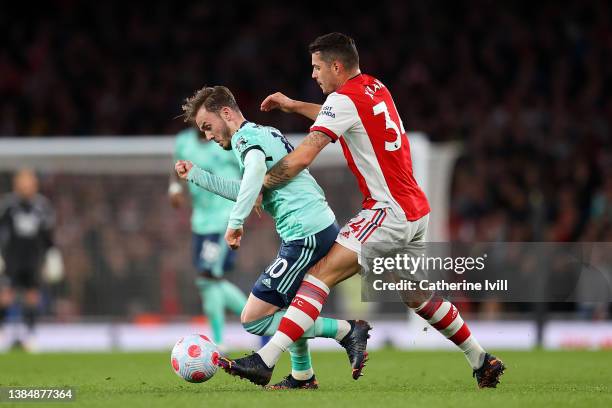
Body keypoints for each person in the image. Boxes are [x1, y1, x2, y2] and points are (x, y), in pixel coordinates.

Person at [221, 33, 505, 389]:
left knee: (317, 276)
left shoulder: (342, 100)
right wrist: (295, 106)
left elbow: (304, 156)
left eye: (317, 67)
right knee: (416, 295)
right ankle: (481, 359)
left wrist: (259, 186)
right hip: (416, 210)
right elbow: (342, 115)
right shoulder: (375, 87)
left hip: (387, 210)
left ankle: (267, 359)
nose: (314, 75)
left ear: (336, 66)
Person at [176, 85, 371, 389]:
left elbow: (254, 171)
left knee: (254, 318)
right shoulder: (264, 132)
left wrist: (235, 223)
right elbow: (251, 189)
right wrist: (197, 176)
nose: (208, 136)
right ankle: (302, 375)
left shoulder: (243, 138)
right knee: (287, 307)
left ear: (226, 113)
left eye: (208, 126)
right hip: (314, 225)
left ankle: (345, 331)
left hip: (305, 233)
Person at [169, 126, 248, 351]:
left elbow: (249, 169)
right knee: (211, 280)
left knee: (207, 276)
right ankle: (261, 322)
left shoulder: (227, 141)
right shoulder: (184, 141)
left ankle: (220, 340)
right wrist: (175, 188)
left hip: (224, 218)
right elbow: (174, 168)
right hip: (201, 221)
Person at [0, 169, 61, 351]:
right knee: (5, 295)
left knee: (32, 296)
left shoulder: (43, 206)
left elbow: (48, 234)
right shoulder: (8, 205)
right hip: (12, 258)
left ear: (34, 184)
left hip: (34, 258)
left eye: (29, 182)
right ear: (16, 184)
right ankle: (2, 333)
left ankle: (30, 334)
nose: (25, 186)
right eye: (22, 182)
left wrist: (52, 255)